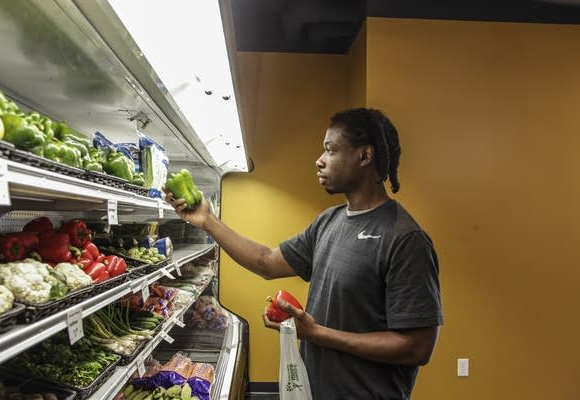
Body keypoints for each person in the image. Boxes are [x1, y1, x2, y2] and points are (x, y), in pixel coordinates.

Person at [165, 107, 443, 400]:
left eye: (330, 150)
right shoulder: (330, 221)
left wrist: (315, 333)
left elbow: (417, 347)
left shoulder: (404, 239)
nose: (319, 161)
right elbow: (267, 262)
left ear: (364, 156)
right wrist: (208, 220)